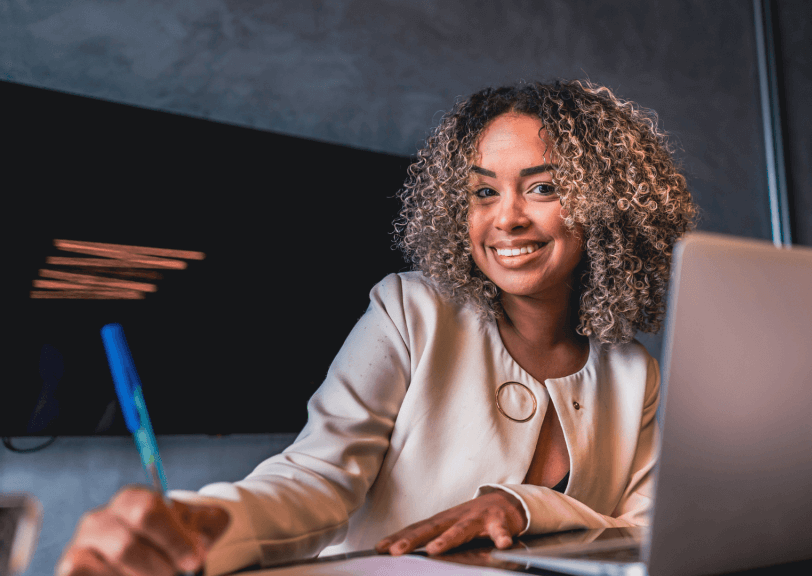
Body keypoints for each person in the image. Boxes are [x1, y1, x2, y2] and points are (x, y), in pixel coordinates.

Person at [57, 79, 696, 576]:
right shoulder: (410, 309)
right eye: (482, 193)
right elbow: (318, 477)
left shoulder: (631, 369)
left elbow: (643, 530)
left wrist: (523, 506)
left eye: (543, 187)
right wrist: (205, 519)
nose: (506, 219)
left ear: (607, 209)